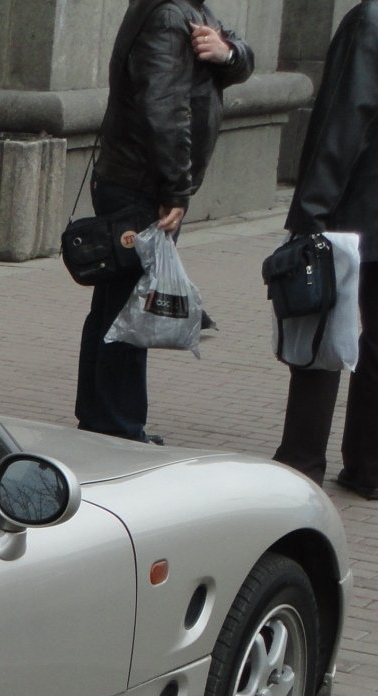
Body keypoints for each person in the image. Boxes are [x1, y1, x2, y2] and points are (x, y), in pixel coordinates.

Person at [76, 0, 254, 442]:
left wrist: (228, 51)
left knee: (113, 303)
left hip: (136, 180)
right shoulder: (170, 15)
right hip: (142, 186)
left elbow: (240, 59)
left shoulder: (186, 10)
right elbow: (165, 107)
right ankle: (117, 425)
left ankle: (100, 415)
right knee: (129, 308)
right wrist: (177, 187)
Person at [273, 0, 378, 502]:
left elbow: (343, 124)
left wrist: (309, 214)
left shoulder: (373, 20)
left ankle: (302, 460)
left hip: (356, 207)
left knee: (320, 325)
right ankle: (372, 468)